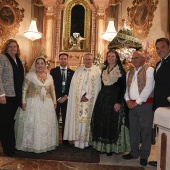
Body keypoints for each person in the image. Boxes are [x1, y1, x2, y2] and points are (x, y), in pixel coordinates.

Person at [90, 50, 130, 156]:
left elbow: (123, 88)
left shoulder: (120, 70)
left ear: (116, 58)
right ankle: (102, 146)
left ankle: (111, 148)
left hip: (114, 98)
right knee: (102, 121)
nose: (111, 58)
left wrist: (118, 102)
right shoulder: (104, 69)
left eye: (113, 56)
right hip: (103, 98)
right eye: (109, 56)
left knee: (112, 122)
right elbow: (102, 85)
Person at [15, 57, 59, 153]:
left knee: (45, 124)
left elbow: (52, 90)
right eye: (38, 63)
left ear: (45, 65)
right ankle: (31, 144)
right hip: (32, 102)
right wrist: (23, 101)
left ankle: (45, 144)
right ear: (35, 65)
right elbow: (24, 89)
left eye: (41, 63)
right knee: (33, 123)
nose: (40, 65)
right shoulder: (30, 76)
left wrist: (55, 102)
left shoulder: (50, 77)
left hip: (47, 103)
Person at [122, 51, 155, 167]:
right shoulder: (129, 72)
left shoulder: (149, 70)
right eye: (133, 58)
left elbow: (149, 88)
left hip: (145, 105)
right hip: (131, 105)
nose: (134, 60)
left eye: (137, 58)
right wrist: (127, 100)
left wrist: (136, 102)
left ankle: (144, 155)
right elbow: (126, 89)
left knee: (145, 131)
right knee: (133, 130)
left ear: (143, 58)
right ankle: (134, 152)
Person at [63, 53, 101, 149]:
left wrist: (88, 96)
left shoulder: (97, 71)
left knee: (87, 121)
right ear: (83, 60)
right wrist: (81, 95)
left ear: (92, 60)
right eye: (86, 59)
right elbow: (74, 86)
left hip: (90, 101)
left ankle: (87, 142)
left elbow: (97, 87)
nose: (88, 61)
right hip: (79, 101)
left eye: (89, 59)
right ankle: (77, 142)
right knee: (79, 121)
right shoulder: (78, 71)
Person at [0, 39, 24, 157]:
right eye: (10, 47)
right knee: (5, 123)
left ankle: (12, 145)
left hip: (16, 97)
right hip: (6, 96)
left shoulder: (19, 60)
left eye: (15, 47)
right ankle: (7, 148)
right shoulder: (2, 58)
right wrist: (1, 94)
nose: (13, 49)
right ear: (6, 48)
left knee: (12, 123)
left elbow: (21, 79)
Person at [149, 38, 170, 167]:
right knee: (161, 134)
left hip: (168, 104)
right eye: (157, 48)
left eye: (162, 47)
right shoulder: (159, 64)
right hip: (159, 105)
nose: (159, 50)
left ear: (168, 47)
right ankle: (162, 158)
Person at [50, 53, 74, 144]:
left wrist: (66, 96)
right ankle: (54, 139)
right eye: (61, 59)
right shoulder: (53, 71)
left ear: (67, 60)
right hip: (56, 99)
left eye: (65, 59)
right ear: (59, 60)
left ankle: (65, 140)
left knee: (66, 119)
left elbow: (72, 86)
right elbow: (51, 85)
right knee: (54, 119)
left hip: (67, 100)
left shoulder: (72, 73)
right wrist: (58, 97)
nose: (63, 60)